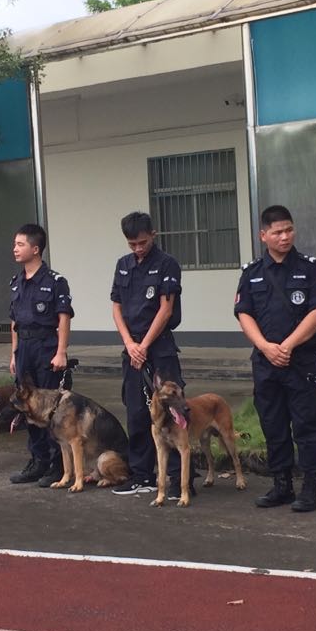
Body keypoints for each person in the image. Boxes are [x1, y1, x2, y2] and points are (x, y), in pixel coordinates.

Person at [235, 206, 316, 512]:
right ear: (264, 235)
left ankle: (310, 487)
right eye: (277, 232)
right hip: (265, 363)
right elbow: (243, 313)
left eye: (289, 230)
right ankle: (282, 485)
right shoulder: (252, 273)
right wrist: (265, 346)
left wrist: (287, 345)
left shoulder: (309, 268)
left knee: (306, 424)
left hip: (300, 361)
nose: (284, 236)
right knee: (273, 424)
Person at [109, 211, 184, 497]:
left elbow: (165, 309)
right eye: (132, 244)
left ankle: (178, 478)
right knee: (137, 411)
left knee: (171, 409)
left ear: (153, 235)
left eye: (142, 242)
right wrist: (130, 344)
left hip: (159, 347)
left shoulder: (167, 264)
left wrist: (144, 345)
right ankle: (143, 474)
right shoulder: (123, 265)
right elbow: (116, 306)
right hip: (132, 348)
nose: (138, 248)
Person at [7, 223, 74, 487]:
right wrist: (14, 354)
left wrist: (61, 352)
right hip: (23, 348)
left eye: (20, 244)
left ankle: (57, 464)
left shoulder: (55, 281)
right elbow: (14, 321)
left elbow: (64, 317)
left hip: (46, 347)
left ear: (36, 249)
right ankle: (37, 461)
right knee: (28, 406)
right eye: (15, 244)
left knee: (50, 408)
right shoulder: (16, 282)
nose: (15, 249)